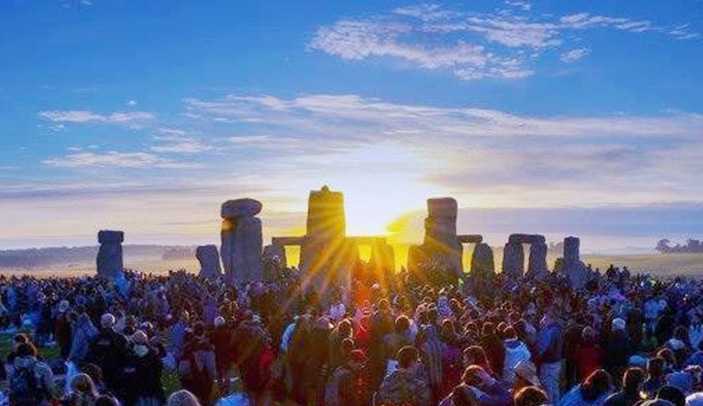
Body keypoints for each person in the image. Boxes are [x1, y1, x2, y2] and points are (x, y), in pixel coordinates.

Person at [87, 313, 128, 391]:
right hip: (116, 370)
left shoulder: (96, 338)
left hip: (101, 370)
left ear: (102, 322)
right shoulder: (121, 337)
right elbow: (126, 354)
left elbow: (90, 354)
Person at [536, 311, 563, 403]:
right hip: (557, 362)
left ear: (551, 318)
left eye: (545, 319)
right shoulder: (558, 329)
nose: (543, 320)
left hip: (549, 363)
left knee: (548, 388)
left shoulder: (551, 330)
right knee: (555, 386)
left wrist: (540, 357)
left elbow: (548, 348)